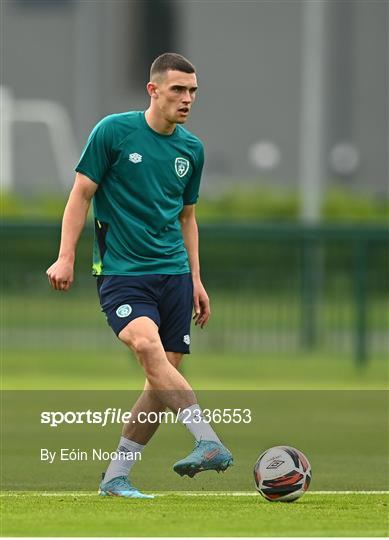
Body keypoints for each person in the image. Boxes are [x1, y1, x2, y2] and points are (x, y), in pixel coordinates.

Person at [46, 52, 233, 499]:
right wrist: (65, 256)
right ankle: (208, 439)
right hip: (122, 272)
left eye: (192, 92)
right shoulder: (112, 131)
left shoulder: (192, 150)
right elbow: (80, 195)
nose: (187, 99)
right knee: (146, 345)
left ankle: (115, 477)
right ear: (153, 90)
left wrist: (197, 279)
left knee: (160, 378)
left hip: (174, 274)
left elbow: (188, 218)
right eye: (178, 91)